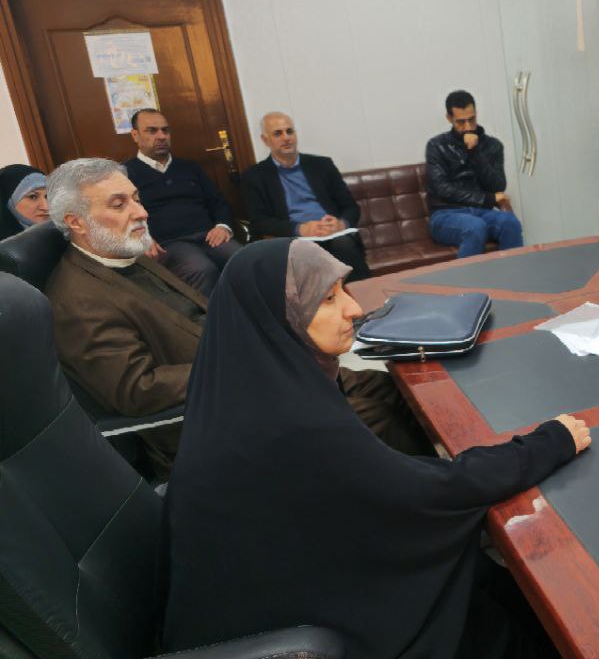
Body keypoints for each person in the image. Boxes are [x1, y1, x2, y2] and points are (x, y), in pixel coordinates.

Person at [163, 238, 591, 658]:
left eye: (342, 291)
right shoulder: (294, 421)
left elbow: (372, 477)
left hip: (276, 582)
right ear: (281, 317)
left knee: (483, 576)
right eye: (327, 299)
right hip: (303, 626)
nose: (353, 308)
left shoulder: (240, 381)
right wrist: (547, 444)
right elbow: (429, 492)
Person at [43, 158, 428, 479]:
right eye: (119, 204)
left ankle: (432, 477)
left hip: (248, 382)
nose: (141, 212)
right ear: (76, 222)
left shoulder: (125, 258)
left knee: (387, 385)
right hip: (211, 422)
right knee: (369, 417)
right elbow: (137, 389)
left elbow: (202, 319)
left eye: (136, 198)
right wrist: (244, 364)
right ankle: (415, 503)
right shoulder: (77, 300)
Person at [123, 109, 243, 296]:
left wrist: (223, 226)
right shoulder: (125, 174)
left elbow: (218, 202)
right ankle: (204, 316)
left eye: (165, 130)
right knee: (202, 269)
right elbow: (123, 216)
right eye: (152, 131)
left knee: (243, 259)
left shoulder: (190, 168)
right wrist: (141, 238)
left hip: (208, 236)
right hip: (169, 244)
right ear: (135, 135)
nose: (161, 136)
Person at [241, 112, 371, 279]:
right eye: (278, 133)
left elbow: (350, 206)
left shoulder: (322, 165)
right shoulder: (254, 176)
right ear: (265, 140)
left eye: (290, 131)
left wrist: (341, 224)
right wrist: (300, 229)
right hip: (295, 239)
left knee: (344, 245)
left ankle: (365, 294)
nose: (286, 138)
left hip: (332, 234)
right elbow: (260, 222)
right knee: (306, 255)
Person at [425, 90, 522, 258]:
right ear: (449, 118)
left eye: (471, 119)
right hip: (445, 215)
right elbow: (441, 189)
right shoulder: (436, 146)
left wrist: (475, 153)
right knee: (475, 227)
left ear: (476, 114)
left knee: (510, 223)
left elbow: (498, 185)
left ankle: (514, 274)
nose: (468, 127)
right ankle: (463, 277)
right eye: (461, 122)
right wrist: (488, 199)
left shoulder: (493, 145)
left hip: (481, 212)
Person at [0, 163, 48, 239]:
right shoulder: (5, 246)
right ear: (8, 202)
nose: (46, 207)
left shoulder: (63, 234)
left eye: (47, 196)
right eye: (32, 197)